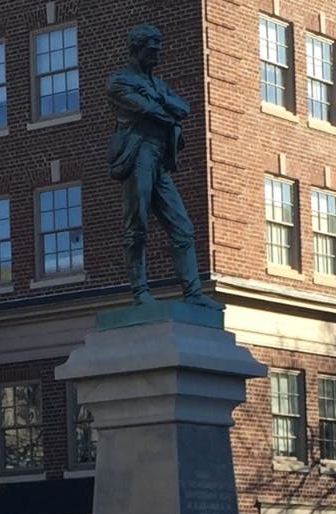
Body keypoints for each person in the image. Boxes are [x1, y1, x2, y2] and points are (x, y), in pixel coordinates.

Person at [106, 24, 222, 310]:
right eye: (152, 50)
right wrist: (162, 105)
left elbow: (183, 109)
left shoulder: (157, 84)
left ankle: (193, 291)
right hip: (138, 154)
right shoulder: (119, 80)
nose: (157, 56)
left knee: (183, 227)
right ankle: (140, 291)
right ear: (137, 48)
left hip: (160, 160)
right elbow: (151, 110)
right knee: (138, 225)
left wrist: (161, 101)